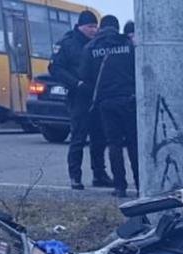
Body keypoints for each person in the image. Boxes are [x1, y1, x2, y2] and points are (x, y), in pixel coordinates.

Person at [49, 10, 111, 191]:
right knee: (78, 137)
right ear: (80, 26)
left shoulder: (98, 43)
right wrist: (76, 83)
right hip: (78, 96)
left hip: (97, 95)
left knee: (99, 137)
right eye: (90, 26)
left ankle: (99, 174)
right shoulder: (67, 43)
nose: (94, 30)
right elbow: (56, 68)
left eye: (95, 27)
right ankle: (75, 176)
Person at [81, 14, 139, 197]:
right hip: (129, 100)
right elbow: (137, 69)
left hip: (105, 102)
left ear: (101, 27)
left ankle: (120, 186)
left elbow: (85, 76)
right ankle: (141, 184)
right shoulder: (128, 45)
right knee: (134, 143)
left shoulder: (91, 47)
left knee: (114, 144)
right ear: (117, 27)